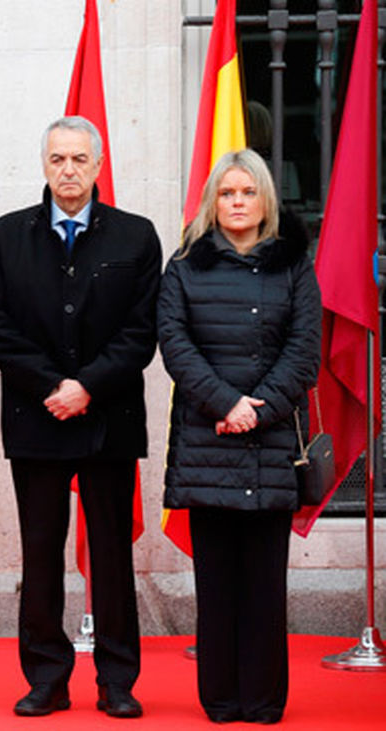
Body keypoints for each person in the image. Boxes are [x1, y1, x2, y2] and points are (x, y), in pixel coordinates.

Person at [0, 116, 161, 718]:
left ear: (99, 166)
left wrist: (87, 386)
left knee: (111, 554)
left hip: (108, 419)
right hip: (37, 417)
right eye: (58, 159)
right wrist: (53, 385)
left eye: (80, 159)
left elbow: (142, 331)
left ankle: (117, 681)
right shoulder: (9, 235)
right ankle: (46, 679)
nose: (69, 170)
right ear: (44, 164)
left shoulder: (135, 237)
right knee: (40, 554)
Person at [158, 149, 319, 724]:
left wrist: (260, 408)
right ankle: (221, 700)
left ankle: (264, 699)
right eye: (227, 193)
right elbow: (174, 344)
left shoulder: (295, 264)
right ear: (212, 202)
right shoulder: (184, 264)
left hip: (271, 444)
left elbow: (305, 352)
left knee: (264, 588)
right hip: (208, 442)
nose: (237, 203)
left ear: (265, 200)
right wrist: (226, 402)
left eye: (247, 192)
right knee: (218, 585)